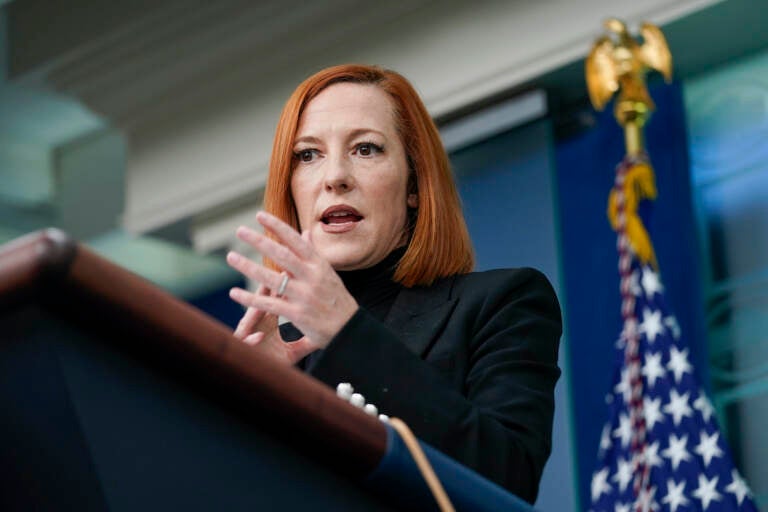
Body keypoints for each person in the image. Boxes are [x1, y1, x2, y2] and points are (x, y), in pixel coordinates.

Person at [225, 64, 561, 504]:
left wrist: (348, 334)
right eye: (308, 155)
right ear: (290, 189)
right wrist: (241, 398)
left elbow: (508, 477)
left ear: (414, 185)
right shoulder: (278, 351)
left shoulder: (505, 302)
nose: (335, 177)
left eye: (365, 149)